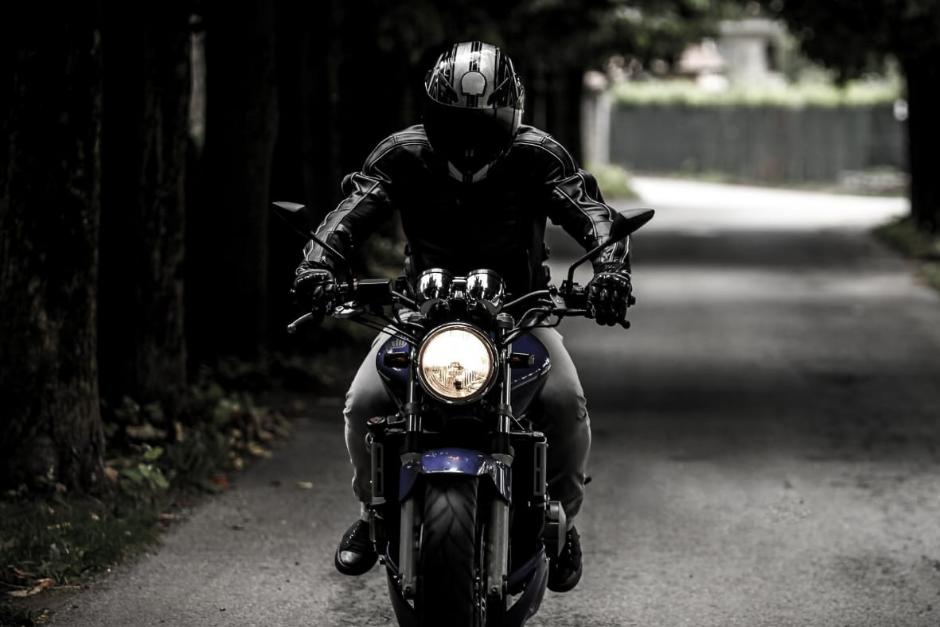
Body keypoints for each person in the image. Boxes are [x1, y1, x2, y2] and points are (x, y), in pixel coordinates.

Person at [293, 41, 633, 593]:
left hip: (520, 313)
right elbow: (349, 215)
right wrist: (316, 265)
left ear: (510, 115)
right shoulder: (401, 154)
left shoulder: (539, 156)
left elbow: (591, 214)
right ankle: (372, 511)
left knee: (566, 404)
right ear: (431, 113)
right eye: (455, 122)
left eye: (484, 122)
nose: (470, 140)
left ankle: (564, 520)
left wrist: (612, 271)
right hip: (418, 313)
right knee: (364, 403)